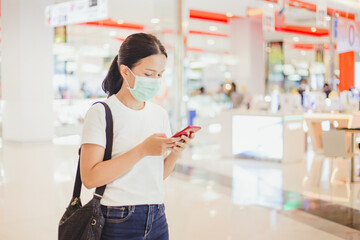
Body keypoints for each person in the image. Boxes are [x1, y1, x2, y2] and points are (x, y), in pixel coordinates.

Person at [80, 33, 195, 240]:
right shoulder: (102, 112)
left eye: (160, 75)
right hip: (118, 217)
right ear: (125, 71)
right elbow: (90, 178)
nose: (155, 81)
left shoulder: (159, 114)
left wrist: (175, 153)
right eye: (149, 74)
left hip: (157, 215)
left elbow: (155, 176)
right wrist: (142, 150)